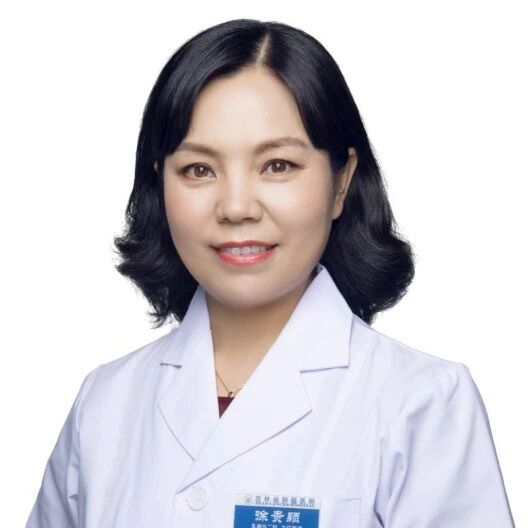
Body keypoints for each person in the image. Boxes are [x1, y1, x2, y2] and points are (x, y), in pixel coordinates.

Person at [26, 18, 515, 528]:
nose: (237, 207)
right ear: (160, 184)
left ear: (341, 182)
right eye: (198, 170)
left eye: (277, 165)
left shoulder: (422, 404)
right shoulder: (104, 404)